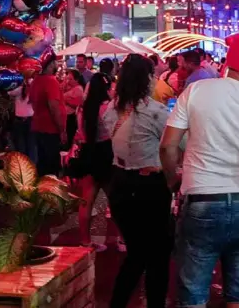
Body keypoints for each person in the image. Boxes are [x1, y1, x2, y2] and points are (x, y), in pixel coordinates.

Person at [161, 31, 239, 308]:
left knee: (193, 295)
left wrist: (172, 180)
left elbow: (167, 146)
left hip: (201, 200)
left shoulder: (197, 90)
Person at [107, 55, 173, 308]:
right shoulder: (156, 112)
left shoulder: (110, 110)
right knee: (157, 254)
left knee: (136, 251)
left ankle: (117, 302)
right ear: (146, 78)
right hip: (150, 185)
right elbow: (172, 146)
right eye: (153, 74)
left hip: (120, 184)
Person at [75, 72, 116, 249]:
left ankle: (85, 241)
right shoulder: (109, 108)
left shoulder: (83, 108)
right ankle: (116, 239)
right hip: (106, 152)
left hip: (87, 152)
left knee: (86, 201)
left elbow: (79, 133)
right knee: (114, 200)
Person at [28, 58, 66, 176]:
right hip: (50, 129)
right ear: (50, 65)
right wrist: (62, 130)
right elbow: (54, 107)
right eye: (55, 62)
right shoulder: (51, 81)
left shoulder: (36, 80)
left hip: (39, 126)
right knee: (51, 166)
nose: (57, 64)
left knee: (42, 162)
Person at [61, 69, 86, 148]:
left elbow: (77, 103)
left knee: (69, 139)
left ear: (77, 79)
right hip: (66, 117)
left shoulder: (78, 89)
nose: (69, 81)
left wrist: (65, 100)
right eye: (68, 78)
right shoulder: (70, 88)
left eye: (71, 79)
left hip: (71, 117)